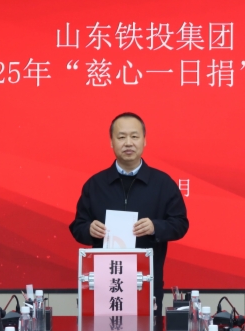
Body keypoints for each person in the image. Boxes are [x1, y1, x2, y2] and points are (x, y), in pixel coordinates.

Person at [69, 112, 189, 316]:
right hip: (104, 282)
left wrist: (155, 227)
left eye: (134, 136)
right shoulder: (96, 184)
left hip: (146, 281)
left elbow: (180, 224)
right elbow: (77, 226)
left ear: (144, 141)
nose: (128, 143)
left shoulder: (162, 183)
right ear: (111, 142)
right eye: (121, 137)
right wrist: (89, 229)